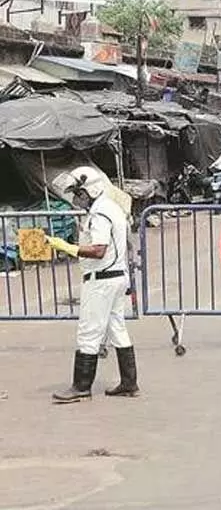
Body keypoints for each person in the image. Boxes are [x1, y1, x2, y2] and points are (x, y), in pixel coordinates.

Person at [47, 167, 139, 403]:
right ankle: (129, 383)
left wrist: (66, 247)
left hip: (102, 280)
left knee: (88, 331)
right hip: (116, 277)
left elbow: (99, 250)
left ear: (91, 189)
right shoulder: (112, 208)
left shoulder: (100, 213)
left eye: (79, 194)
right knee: (117, 328)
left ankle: (81, 386)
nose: (77, 199)